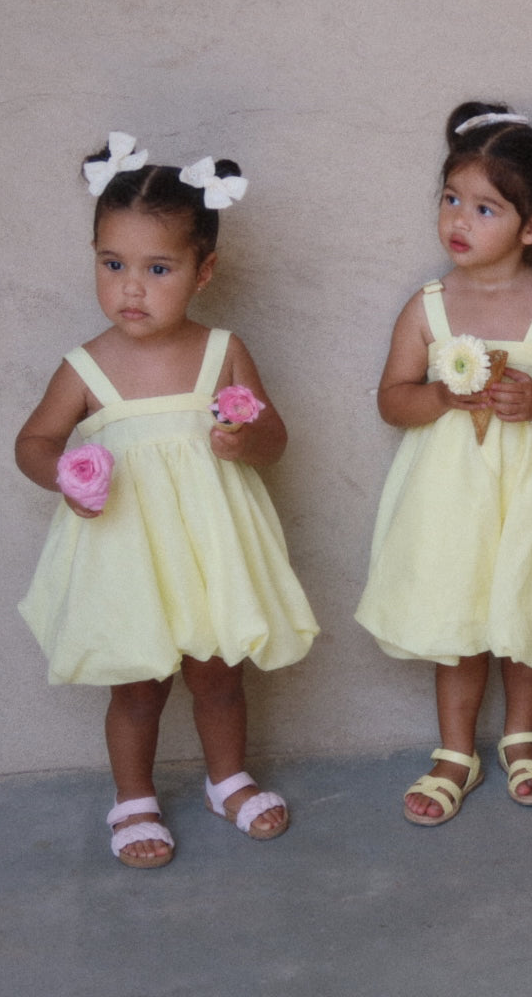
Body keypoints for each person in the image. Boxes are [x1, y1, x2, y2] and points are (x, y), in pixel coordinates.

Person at [17, 134, 316, 868]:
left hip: (210, 546)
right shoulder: (86, 366)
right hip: (128, 551)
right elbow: (33, 441)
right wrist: (64, 474)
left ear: (202, 271)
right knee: (138, 686)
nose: (131, 288)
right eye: (112, 264)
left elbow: (274, 437)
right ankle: (133, 797)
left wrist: (245, 441)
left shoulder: (222, 352)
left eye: (158, 269)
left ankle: (227, 780)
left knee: (219, 675)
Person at [356, 102, 532, 825]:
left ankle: (522, 737)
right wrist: (439, 396)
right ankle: (455, 750)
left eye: (484, 209)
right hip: (451, 495)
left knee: (525, 608)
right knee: (459, 616)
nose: (459, 220)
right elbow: (391, 400)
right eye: (451, 199)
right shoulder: (428, 307)